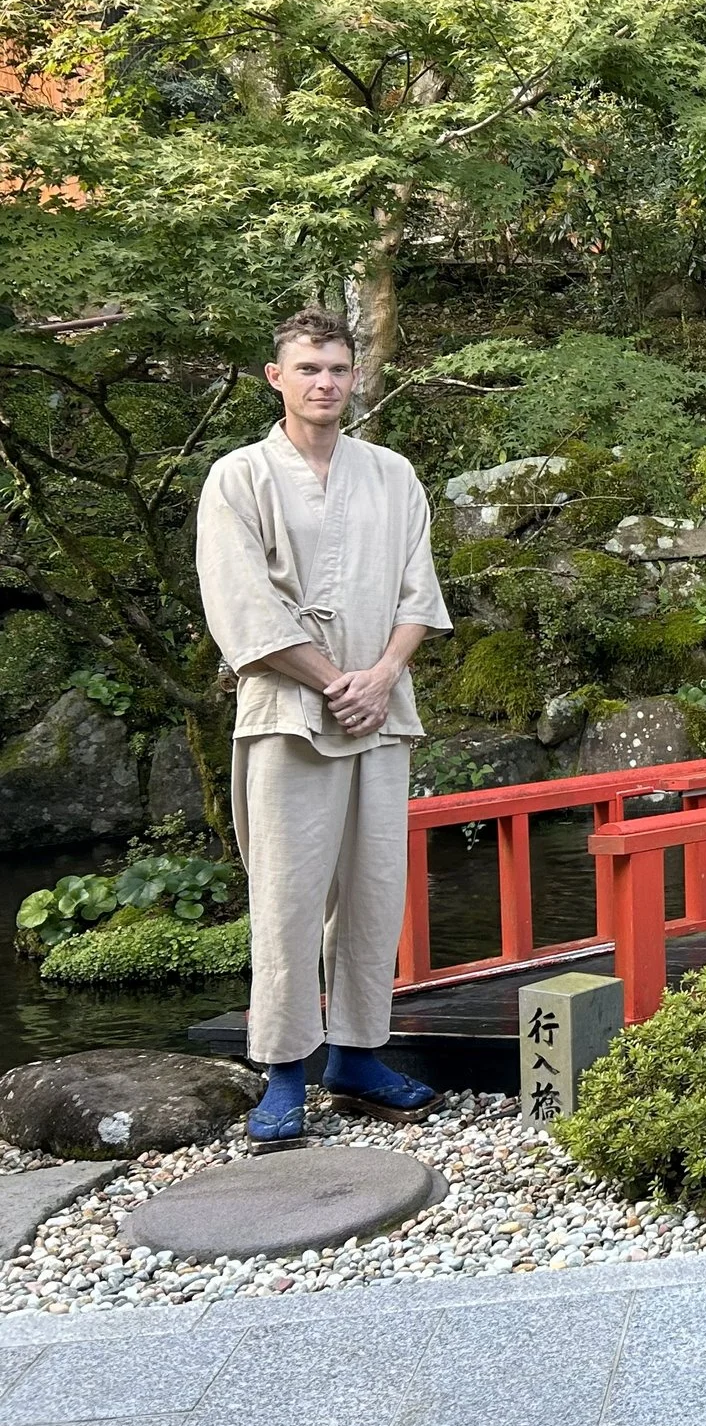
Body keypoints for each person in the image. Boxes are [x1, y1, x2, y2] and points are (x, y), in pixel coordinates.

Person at [195, 308, 453, 1142]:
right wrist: (336, 679)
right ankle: (283, 1069)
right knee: (288, 892)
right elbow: (244, 608)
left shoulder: (392, 474)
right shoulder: (239, 477)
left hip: (379, 707)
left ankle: (358, 1053)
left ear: (354, 376)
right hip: (286, 713)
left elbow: (419, 593)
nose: (325, 382)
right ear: (276, 376)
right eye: (308, 367)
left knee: (375, 888)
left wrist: (378, 678)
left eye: (338, 368)